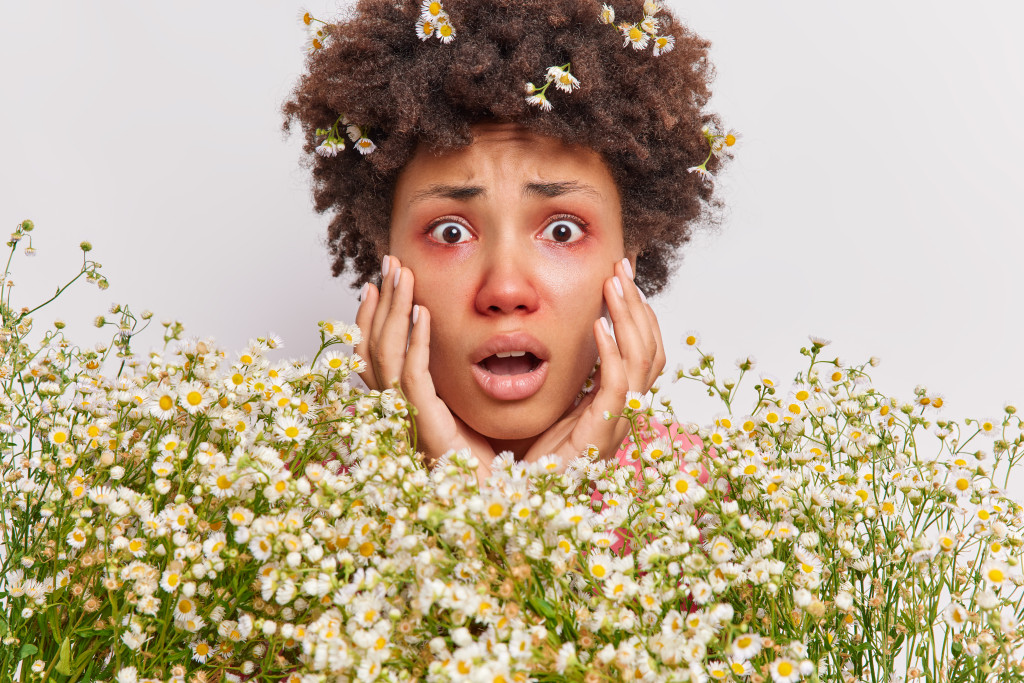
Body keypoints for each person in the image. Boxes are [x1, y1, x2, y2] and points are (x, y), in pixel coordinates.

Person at [283, 0, 729, 479]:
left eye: (563, 231)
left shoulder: (709, 502)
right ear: (384, 253)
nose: (505, 291)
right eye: (450, 232)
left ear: (628, 258)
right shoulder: (287, 488)